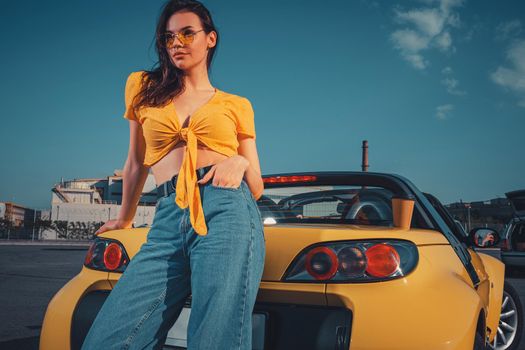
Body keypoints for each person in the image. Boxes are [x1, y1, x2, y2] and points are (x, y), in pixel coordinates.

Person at [81, 0, 265, 349]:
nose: (176, 42)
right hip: (168, 216)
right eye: (168, 37)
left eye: (186, 33)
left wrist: (239, 163)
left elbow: (256, 185)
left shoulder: (237, 104)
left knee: (215, 338)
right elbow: (136, 162)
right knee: (109, 339)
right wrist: (125, 218)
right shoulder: (142, 86)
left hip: (227, 211)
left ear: (210, 39)